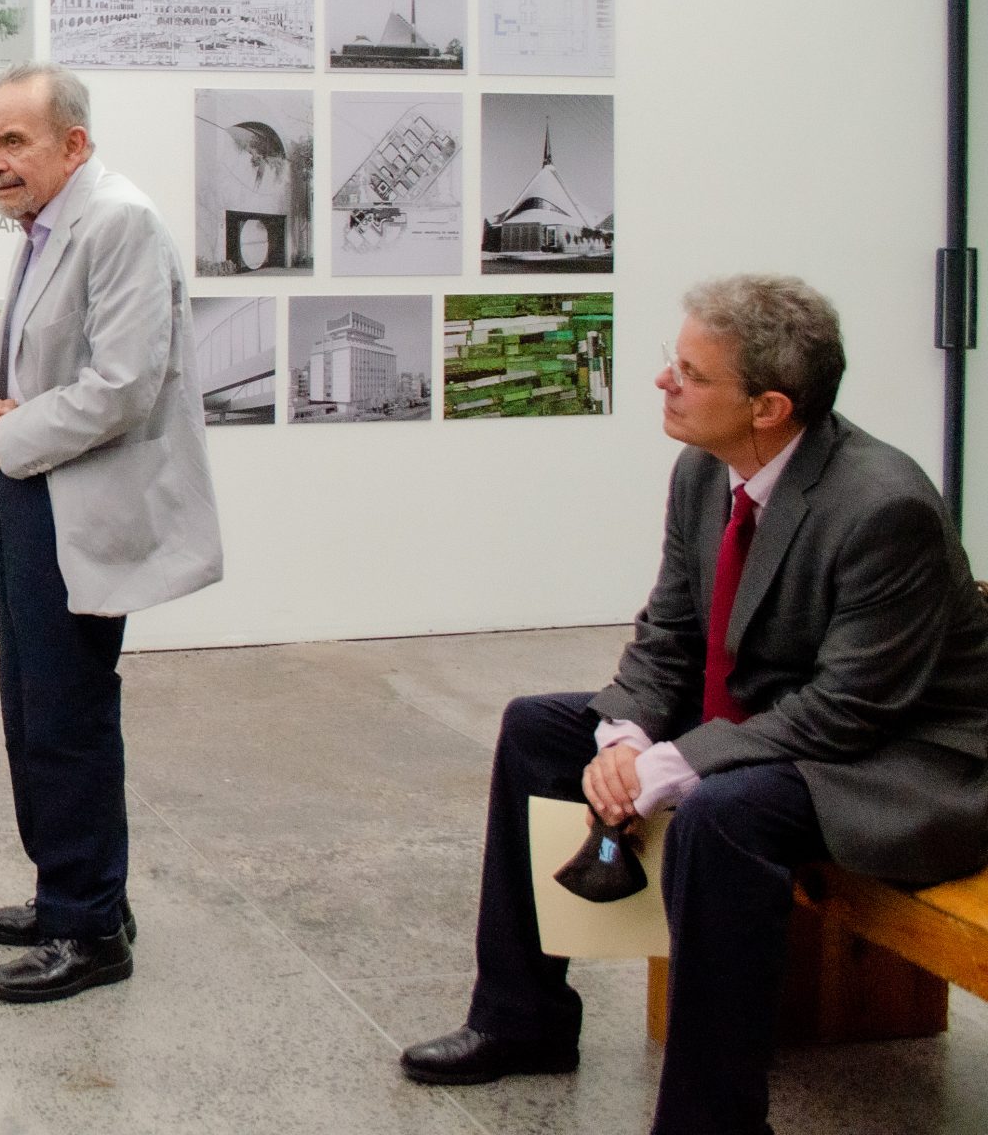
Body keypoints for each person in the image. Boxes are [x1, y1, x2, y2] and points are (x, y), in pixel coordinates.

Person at [401, 275, 988, 1135]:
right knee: (540, 730)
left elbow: (850, 710)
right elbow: (670, 633)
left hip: (902, 755)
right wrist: (625, 735)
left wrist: (669, 767)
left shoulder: (883, 505)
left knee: (722, 812)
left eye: (691, 372)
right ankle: (521, 1020)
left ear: (770, 406)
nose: (663, 382)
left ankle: (712, 1120)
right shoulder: (703, 472)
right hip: (785, 713)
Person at [0, 62, 223, 1004]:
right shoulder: (45, 224)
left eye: (14, 142)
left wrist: (5, 434)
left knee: (68, 718)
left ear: (75, 142)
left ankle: (89, 927)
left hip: (72, 497)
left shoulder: (117, 221)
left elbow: (123, 384)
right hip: (31, 497)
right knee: (33, 713)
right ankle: (73, 893)